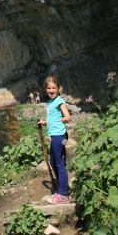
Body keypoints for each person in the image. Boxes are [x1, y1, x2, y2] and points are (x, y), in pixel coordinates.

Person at [37, 75, 71, 204]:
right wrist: (44, 122)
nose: (51, 90)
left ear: (58, 89)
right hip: (54, 136)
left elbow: (67, 115)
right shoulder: (50, 103)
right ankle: (61, 189)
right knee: (53, 162)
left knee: (59, 164)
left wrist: (65, 118)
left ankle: (63, 194)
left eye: (54, 88)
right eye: (49, 88)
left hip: (59, 135)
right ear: (46, 89)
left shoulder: (59, 101)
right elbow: (52, 119)